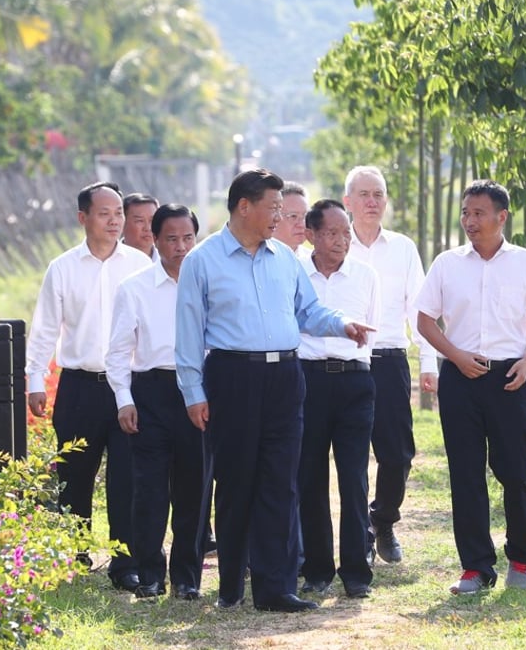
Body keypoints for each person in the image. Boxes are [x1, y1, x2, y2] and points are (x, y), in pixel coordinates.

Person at [175, 168, 375, 613]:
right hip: (231, 377)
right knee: (235, 481)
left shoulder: (284, 259)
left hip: (286, 376)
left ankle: (277, 587)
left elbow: (309, 309)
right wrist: (193, 392)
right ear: (244, 206)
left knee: (281, 482)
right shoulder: (202, 261)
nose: (282, 218)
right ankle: (230, 586)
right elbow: (187, 335)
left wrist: (342, 324)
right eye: (274, 208)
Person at [414, 179, 526, 594]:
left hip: (509, 379)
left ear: (501, 216)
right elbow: (425, 320)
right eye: (465, 213)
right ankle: (476, 568)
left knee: (515, 471)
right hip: (460, 377)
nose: (469, 221)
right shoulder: (446, 263)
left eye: (478, 213)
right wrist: (455, 356)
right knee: (466, 473)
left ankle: (519, 560)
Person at [25, 181, 152, 592]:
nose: (115, 221)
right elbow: (45, 329)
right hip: (80, 386)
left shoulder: (139, 266)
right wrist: (34, 380)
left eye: (118, 213)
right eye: (105, 213)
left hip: (128, 388)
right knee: (75, 476)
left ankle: (125, 563)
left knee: (126, 478)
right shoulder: (62, 268)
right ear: (83, 218)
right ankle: (75, 554)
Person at [106, 203, 205, 601]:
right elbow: (117, 352)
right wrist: (124, 400)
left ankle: (187, 577)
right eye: (171, 239)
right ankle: (149, 572)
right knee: (148, 490)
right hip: (150, 391)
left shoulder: (208, 284)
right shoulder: (134, 288)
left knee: (194, 488)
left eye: (187, 238)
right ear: (154, 239)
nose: (180, 247)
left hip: (197, 392)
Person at [343, 165, 438, 564]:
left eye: (378, 194)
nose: (371, 201)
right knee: (350, 456)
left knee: (397, 453)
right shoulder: (330, 243)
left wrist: (429, 361)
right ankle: (357, 536)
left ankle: (383, 519)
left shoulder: (403, 248)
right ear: (347, 201)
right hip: (344, 362)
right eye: (363, 194)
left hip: (389, 359)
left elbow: (420, 308)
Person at [296, 199, 380, 600]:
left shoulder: (365, 275)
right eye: (331, 233)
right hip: (308, 382)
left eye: (346, 232)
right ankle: (316, 569)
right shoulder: (295, 273)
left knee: (354, 478)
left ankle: (356, 571)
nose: (341, 241)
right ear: (310, 234)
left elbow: (373, 333)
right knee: (309, 477)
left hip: (354, 384)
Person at [122, 193, 159, 259]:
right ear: (122, 222)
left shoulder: (169, 261)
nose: (148, 228)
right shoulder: (107, 258)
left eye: (152, 220)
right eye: (140, 221)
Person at [278, 181, 310, 257]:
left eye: (305, 216)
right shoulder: (254, 260)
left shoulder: (315, 263)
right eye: (293, 216)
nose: (302, 225)